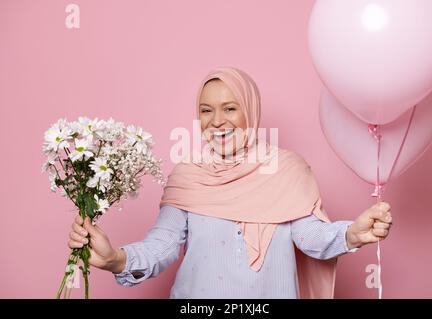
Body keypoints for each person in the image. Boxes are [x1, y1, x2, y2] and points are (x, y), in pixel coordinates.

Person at [68, 67, 392, 298]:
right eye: (206, 110)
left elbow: (311, 237)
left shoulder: (286, 170)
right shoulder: (188, 174)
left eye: (230, 108)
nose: (217, 121)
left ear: (250, 111)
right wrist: (116, 259)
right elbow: (162, 246)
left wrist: (351, 233)